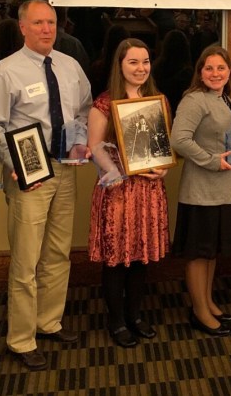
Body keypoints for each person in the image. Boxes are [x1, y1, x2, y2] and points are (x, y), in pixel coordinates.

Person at [0, 0, 92, 370]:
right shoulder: (6, 72)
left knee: (58, 251)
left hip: (65, 169)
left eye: (51, 22)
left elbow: (83, 111)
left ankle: (49, 321)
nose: (47, 29)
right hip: (26, 176)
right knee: (26, 260)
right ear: (22, 27)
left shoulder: (71, 65)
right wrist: (16, 165)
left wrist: (80, 142)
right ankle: (21, 339)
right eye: (39, 23)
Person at [87, 38, 169, 348]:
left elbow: (161, 144)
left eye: (145, 62)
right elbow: (95, 146)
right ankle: (116, 320)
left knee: (140, 257)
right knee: (117, 259)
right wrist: (115, 172)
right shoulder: (105, 103)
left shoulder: (155, 99)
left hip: (148, 189)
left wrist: (163, 167)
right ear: (120, 65)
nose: (141, 68)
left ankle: (135, 315)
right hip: (119, 190)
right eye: (133, 62)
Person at [171, 46, 231, 337]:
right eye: (209, 68)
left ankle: (208, 301)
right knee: (199, 254)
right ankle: (199, 310)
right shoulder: (195, 100)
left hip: (223, 189)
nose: (215, 73)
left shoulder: (223, 97)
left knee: (211, 252)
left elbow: (227, 137)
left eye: (221, 68)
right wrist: (213, 161)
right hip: (200, 190)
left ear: (229, 71)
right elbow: (179, 139)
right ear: (200, 72)